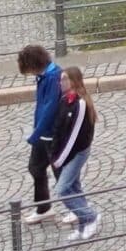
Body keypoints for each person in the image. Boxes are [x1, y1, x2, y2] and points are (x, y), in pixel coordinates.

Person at [49, 66, 98, 241]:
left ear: (73, 81)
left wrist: (59, 160)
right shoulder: (65, 100)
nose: (61, 83)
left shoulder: (80, 103)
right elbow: (59, 130)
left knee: (62, 189)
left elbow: (73, 136)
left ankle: (90, 216)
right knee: (74, 187)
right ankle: (82, 226)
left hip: (77, 153)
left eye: (64, 79)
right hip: (67, 153)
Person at [19, 44, 61, 223]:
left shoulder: (53, 77)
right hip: (42, 133)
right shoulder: (44, 77)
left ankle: (78, 208)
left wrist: (36, 133)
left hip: (52, 134)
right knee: (35, 168)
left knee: (61, 173)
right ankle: (44, 208)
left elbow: (50, 108)